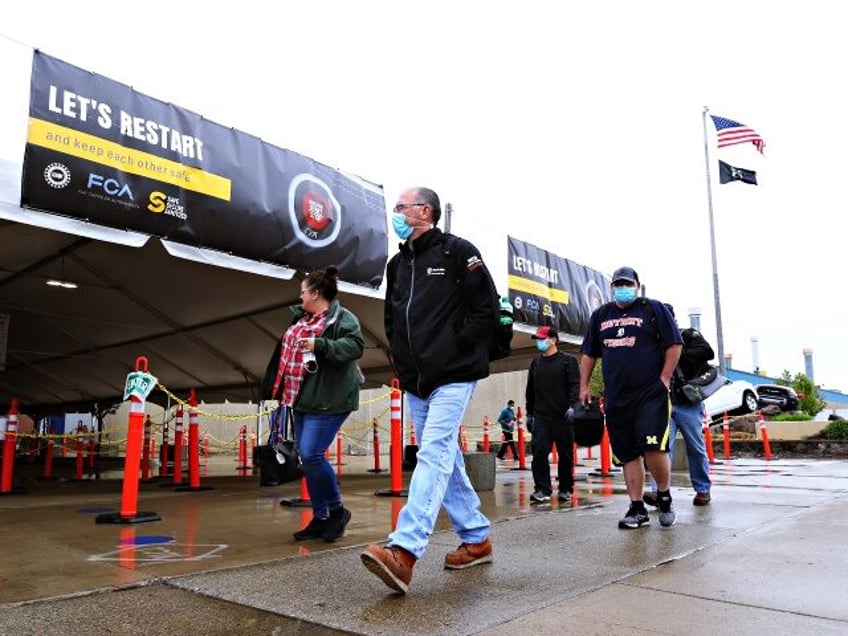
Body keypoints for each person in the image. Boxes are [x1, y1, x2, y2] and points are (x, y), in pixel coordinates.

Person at [361, 186, 498, 595]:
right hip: (416, 382)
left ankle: (404, 551)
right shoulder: (397, 265)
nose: (397, 214)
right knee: (444, 458)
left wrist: (453, 346)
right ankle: (476, 538)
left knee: (434, 453)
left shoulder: (458, 252)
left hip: (454, 375)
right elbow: (391, 319)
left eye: (401, 207)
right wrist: (401, 364)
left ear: (425, 210)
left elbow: (486, 311)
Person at [262, 265, 364, 543]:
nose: (301, 297)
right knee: (307, 458)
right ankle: (320, 518)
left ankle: (337, 512)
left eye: (303, 292)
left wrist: (320, 346)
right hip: (303, 397)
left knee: (312, 453)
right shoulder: (302, 320)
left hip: (330, 399)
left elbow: (355, 347)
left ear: (316, 293)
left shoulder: (343, 318)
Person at [579, 266, 682, 529]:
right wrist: (584, 386)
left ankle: (664, 495)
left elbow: (674, 344)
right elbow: (589, 354)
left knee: (653, 447)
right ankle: (637, 509)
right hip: (617, 397)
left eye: (627, 284)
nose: (622, 288)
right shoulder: (600, 316)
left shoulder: (653, 309)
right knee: (627, 453)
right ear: (611, 287)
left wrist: (665, 378)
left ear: (637, 285)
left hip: (650, 393)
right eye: (617, 284)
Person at [644, 305, 713, 507]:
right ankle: (659, 492)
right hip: (662, 403)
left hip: (688, 402)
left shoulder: (688, 335)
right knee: (662, 448)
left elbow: (707, 352)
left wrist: (676, 351)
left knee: (695, 447)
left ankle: (703, 490)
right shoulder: (651, 342)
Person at [525, 325, 580, 504]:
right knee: (539, 453)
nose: (540, 342)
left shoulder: (568, 361)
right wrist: (529, 413)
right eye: (539, 339)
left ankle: (565, 489)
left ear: (554, 340)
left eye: (543, 338)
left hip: (563, 416)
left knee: (565, 454)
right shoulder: (536, 363)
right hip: (541, 416)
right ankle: (542, 489)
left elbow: (574, 386)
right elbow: (530, 390)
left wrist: (573, 406)